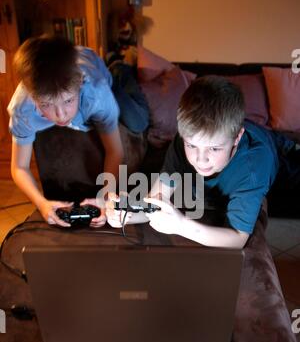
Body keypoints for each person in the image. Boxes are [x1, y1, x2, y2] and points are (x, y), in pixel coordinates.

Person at [106, 75, 299, 249]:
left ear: (236, 139)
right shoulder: (181, 142)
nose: (201, 159)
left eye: (214, 149)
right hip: (235, 132)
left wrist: (182, 225)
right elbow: (157, 201)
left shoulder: (253, 168)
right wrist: (127, 215)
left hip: (274, 149)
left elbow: (238, 238)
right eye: (192, 145)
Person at [8, 35, 124, 228]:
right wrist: (41, 203)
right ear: (31, 96)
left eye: (68, 101)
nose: (60, 115)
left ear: (79, 84)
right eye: (46, 104)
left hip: (96, 66)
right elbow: (19, 167)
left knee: (133, 115)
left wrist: (105, 197)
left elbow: (115, 151)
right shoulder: (22, 108)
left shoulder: (97, 93)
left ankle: (120, 66)